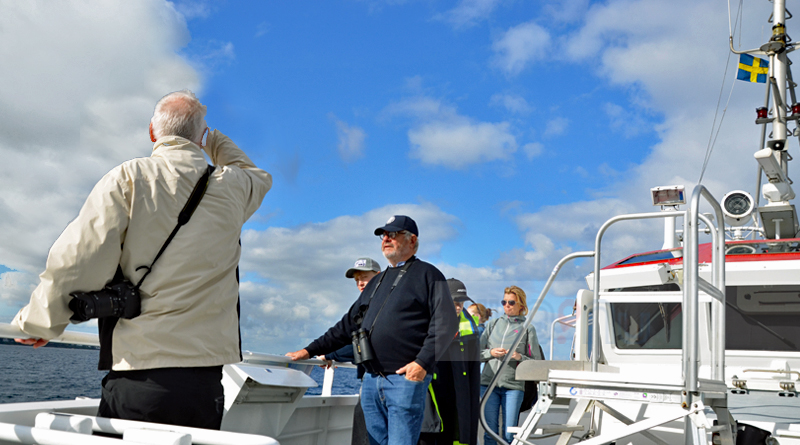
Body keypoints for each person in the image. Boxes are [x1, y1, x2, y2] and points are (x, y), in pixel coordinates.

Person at [12, 90, 272, 429]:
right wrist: (211, 138)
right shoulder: (234, 186)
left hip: (141, 372)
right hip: (205, 381)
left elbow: (79, 258)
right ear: (202, 137)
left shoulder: (129, 177)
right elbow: (255, 172)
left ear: (153, 133)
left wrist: (40, 322)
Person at [286, 215, 458, 445]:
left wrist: (422, 363)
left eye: (393, 234)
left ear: (412, 240)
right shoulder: (378, 281)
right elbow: (347, 325)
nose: (386, 238)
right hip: (371, 380)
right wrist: (308, 351)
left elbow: (446, 323)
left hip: (404, 380)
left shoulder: (429, 274)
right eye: (383, 235)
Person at [319, 257, 382, 445]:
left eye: (365, 278)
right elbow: (348, 336)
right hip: (375, 378)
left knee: (366, 435)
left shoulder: (378, 306)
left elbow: (368, 344)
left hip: (378, 381)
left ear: (379, 277)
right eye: (357, 280)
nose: (360, 283)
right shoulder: (363, 306)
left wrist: (330, 355)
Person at [418, 278, 481, 445]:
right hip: (432, 390)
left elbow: (473, 372)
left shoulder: (471, 330)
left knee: (455, 435)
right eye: (454, 301)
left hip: (458, 392)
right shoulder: (424, 323)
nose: (459, 305)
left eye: (461, 301)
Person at [480, 286, 543, 445]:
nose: (506, 305)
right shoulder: (492, 324)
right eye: (504, 302)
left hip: (514, 387)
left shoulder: (528, 329)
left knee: (509, 436)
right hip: (488, 385)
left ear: (521, 305)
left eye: (511, 302)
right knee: (490, 434)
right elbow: (476, 354)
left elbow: (536, 363)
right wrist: (491, 353)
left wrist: (519, 357)